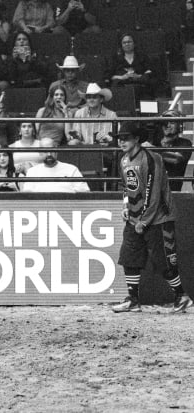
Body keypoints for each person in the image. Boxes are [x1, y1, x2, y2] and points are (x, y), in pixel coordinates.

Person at [111, 121, 193, 313]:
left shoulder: (151, 158)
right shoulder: (124, 160)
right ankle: (133, 299)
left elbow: (153, 192)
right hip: (134, 216)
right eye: (120, 139)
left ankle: (181, 296)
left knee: (164, 260)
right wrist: (126, 206)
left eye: (126, 138)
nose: (122, 142)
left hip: (159, 218)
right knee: (129, 256)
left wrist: (144, 220)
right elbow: (126, 186)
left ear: (137, 139)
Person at [146, 109, 192, 192]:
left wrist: (152, 149)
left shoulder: (185, 143)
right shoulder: (154, 141)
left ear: (179, 125)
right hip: (151, 190)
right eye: (165, 122)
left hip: (172, 191)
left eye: (172, 122)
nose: (168, 125)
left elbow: (176, 159)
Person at [23, 137, 90, 192]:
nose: (49, 154)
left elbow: (85, 193)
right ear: (40, 152)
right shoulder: (32, 172)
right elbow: (27, 197)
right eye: (45, 151)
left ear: (56, 151)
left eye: (51, 150)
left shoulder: (71, 169)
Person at [104, 33, 157, 100]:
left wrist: (138, 76)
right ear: (121, 45)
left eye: (129, 42)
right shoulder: (115, 58)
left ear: (134, 43)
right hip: (122, 87)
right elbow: (109, 75)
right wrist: (122, 77)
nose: (127, 44)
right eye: (124, 42)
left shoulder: (142, 57)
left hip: (140, 85)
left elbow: (150, 71)